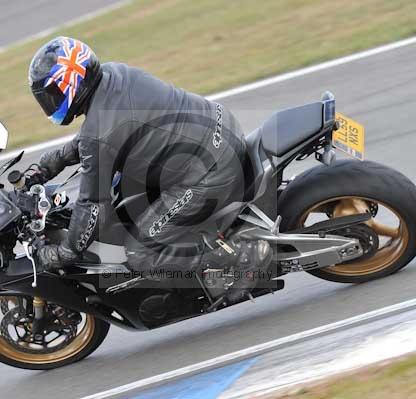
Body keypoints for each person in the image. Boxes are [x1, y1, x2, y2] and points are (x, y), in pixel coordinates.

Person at [28, 37, 270, 301]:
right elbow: (102, 136)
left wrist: (65, 252)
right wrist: (53, 161)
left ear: (69, 84)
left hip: (210, 172)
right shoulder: (113, 75)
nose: (50, 102)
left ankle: (236, 260)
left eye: (52, 94)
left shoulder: (98, 130)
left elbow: (93, 206)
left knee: (141, 254)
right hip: (220, 128)